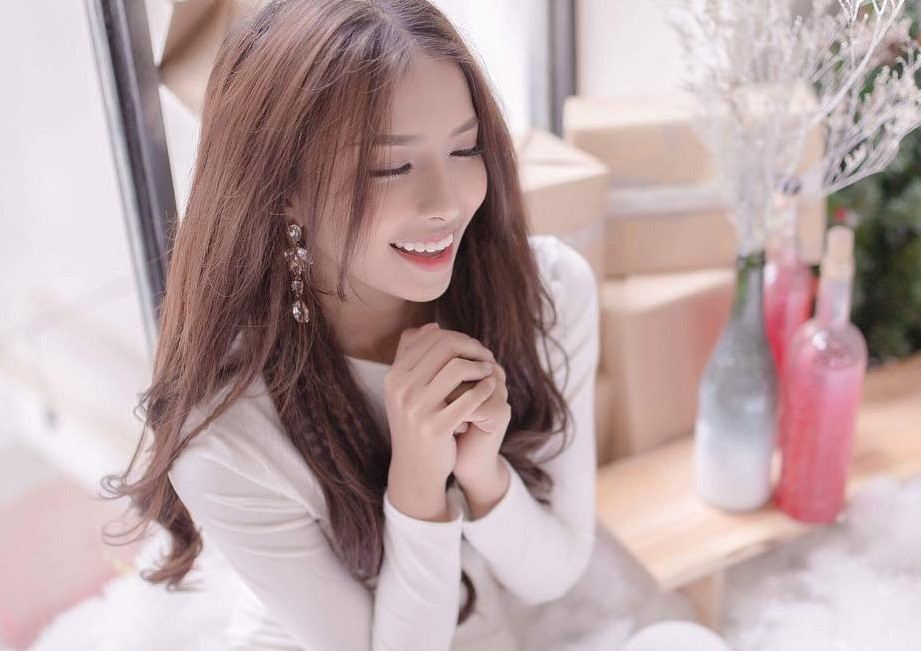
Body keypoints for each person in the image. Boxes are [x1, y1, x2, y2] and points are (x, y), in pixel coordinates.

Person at [102, 1, 607, 648]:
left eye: (464, 148)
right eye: (391, 167)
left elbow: (554, 572)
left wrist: (483, 474)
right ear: (282, 188)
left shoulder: (547, 291)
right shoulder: (225, 433)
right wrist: (417, 485)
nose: (446, 202)